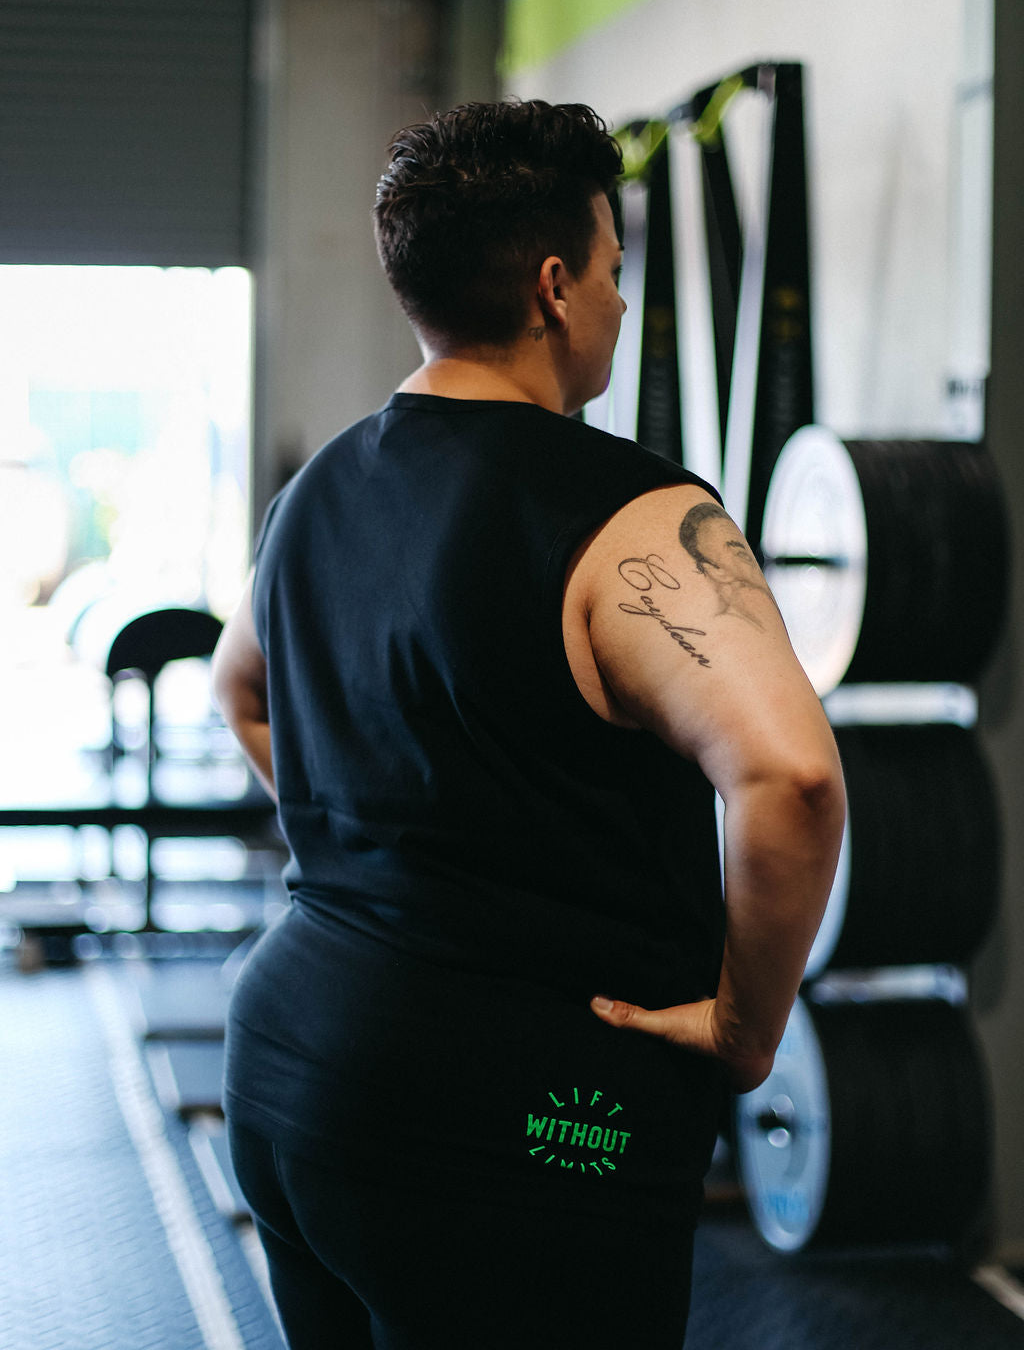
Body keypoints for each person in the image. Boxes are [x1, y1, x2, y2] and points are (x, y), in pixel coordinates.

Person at [212, 99, 845, 1350]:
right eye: (615, 272)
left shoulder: (319, 487)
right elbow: (792, 779)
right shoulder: (635, 512)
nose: (618, 301)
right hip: (533, 1114)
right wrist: (744, 1023)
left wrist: (385, 852)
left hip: (291, 1060)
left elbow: (239, 686)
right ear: (556, 287)